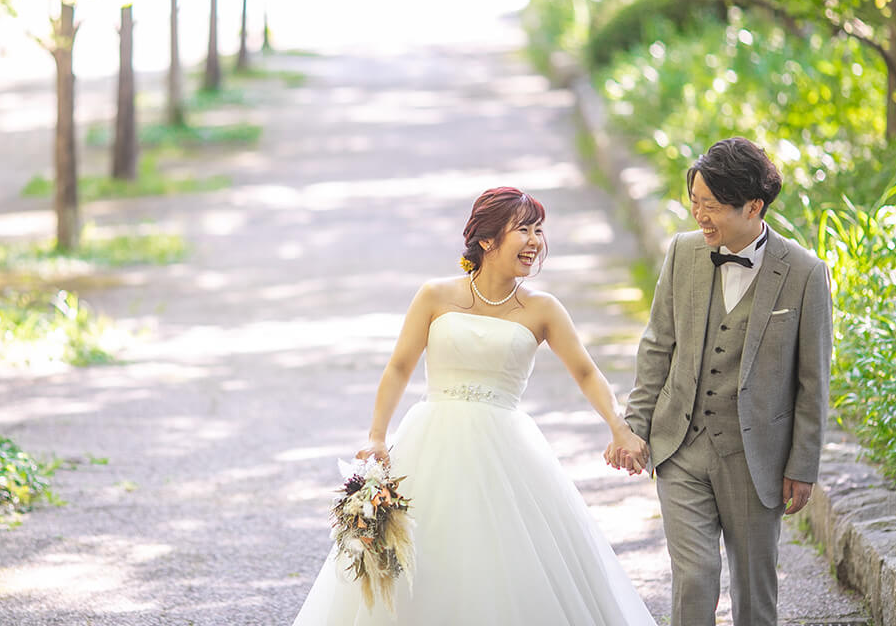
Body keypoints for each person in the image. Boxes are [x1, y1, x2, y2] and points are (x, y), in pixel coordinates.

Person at [292, 187, 657, 626]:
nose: (535, 241)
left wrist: (619, 427)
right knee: (419, 553)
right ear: (487, 240)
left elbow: (586, 372)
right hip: (431, 438)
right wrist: (377, 435)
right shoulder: (434, 295)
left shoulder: (543, 309)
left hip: (507, 447)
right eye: (523, 229)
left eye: (539, 230)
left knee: (507, 556)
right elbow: (399, 368)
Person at [607, 137, 833, 626]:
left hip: (755, 457)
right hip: (681, 446)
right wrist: (635, 426)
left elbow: (813, 381)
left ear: (753, 206)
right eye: (694, 203)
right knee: (695, 575)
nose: (699, 216)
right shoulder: (683, 252)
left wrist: (803, 464)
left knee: (754, 589)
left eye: (711, 206)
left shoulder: (805, 273)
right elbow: (657, 345)